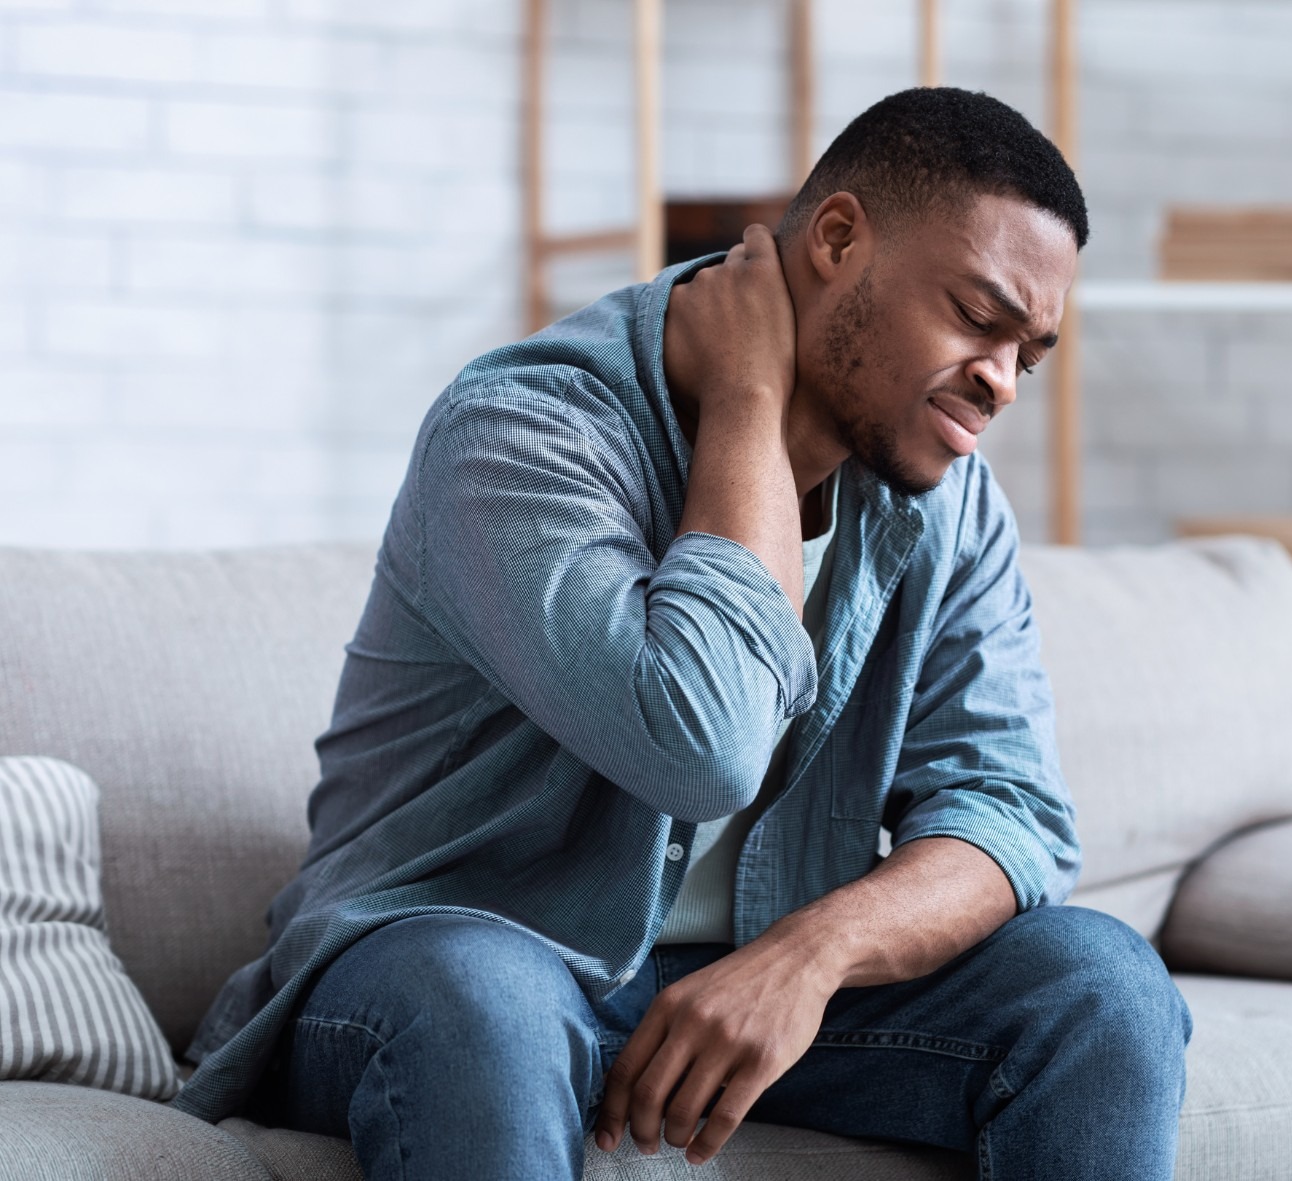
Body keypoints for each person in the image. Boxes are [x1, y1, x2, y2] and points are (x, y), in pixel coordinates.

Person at [172, 86, 1193, 1180]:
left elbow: (1013, 814)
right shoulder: (522, 433)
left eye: (1027, 355)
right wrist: (749, 402)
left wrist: (811, 954)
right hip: (454, 967)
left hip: (741, 991)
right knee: (485, 998)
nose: (999, 379)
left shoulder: (951, 503)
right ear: (840, 239)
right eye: (977, 317)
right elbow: (700, 745)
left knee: (1103, 982)